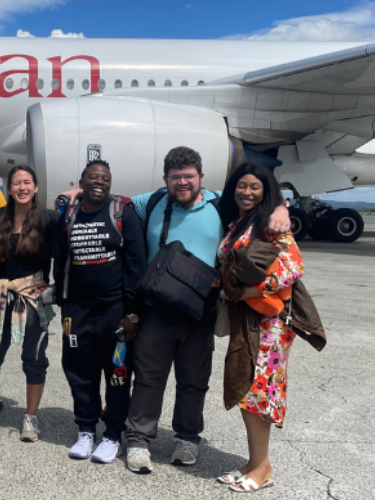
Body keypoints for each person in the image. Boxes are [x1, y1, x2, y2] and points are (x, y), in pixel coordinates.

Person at [121, 146, 290, 474]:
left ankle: (187, 438)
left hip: (200, 311)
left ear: (201, 177)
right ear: (165, 179)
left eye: (189, 176)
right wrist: (76, 191)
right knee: (148, 378)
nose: (182, 183)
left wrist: (282, 206)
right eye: (175, 177)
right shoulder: (153, 202)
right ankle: (139, 440)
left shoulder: (220, 204)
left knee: (193, 380)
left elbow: (257, 201)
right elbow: (120, 202)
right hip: (156, 309)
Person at [215, 162, 305, 493]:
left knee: (259, 394)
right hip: (248, 320)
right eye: (242, 186)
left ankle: (264, 468)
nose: (247, 192)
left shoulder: (271, 223)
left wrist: (246, 292)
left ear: (266, 190)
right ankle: (253, 462)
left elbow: (293, 266)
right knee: (247, 388)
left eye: (255, 186)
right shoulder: (239, 221)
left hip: (270, 324)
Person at [53, 160, 146, 464]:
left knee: (117, 372)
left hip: (115, 313)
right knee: (79, 370)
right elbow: (60, 257)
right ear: (82, 181)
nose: (100, 182)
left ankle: (112, 433)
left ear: (110, 182)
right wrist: (62, 300)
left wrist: (132, 314)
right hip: (77, 312)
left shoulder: (122, 212)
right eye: (93, 177)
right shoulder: (70, 215)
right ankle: (85, 429)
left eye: (105, 178)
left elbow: (135, 265)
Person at [0, 165, 58, 442]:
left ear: (35, 187)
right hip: (1, 293)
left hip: (32, 294)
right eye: (16, 183)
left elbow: (63, 252)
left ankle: (30, 417)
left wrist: (53, 284)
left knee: (35, 358)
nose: (22, 188)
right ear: (10, 188)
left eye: (27, 182)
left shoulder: (48, 220)